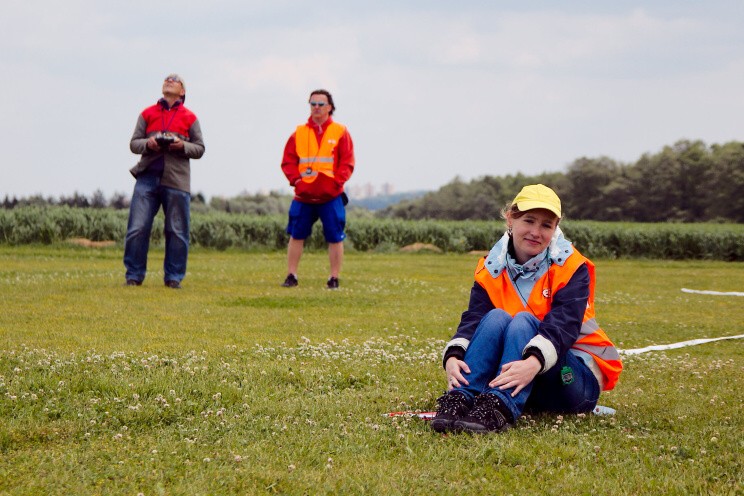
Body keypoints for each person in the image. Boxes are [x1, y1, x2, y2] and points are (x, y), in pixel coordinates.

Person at [431, 184, 622, 434]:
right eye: (529, 220)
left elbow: (563, 326)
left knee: (522, 321)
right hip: (522, 377)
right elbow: (474, 318)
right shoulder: (491, 267)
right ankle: (461, 396)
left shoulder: (573, 267)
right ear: (510, 219)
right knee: (496, 317)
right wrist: (453, 356)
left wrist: (533, 362)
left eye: (546, 225)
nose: (536, 232)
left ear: (555, 229)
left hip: (573, 380)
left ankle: (499, 405)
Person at [124, 74, 205, 289]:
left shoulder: (190, 118)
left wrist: (182, 146)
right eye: (166, 79)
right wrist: (148, 144)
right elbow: (134, 144)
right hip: (147, 176)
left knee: (177, 231)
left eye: (174, 80)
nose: (169, 80)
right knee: (137, 227)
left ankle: (174, 278)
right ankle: (133, 275)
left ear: (182, 91)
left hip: (177, 180)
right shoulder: (147, 113)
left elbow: (200, 148)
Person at [280, 89, 355, 289]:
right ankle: (291, 275)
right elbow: (288, 161)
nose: (316, 108)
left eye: (321, 104)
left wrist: (336, 183)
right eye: (312, 104)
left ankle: (333, 278)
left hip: (331, 196)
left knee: (335, 236)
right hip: (304, 195)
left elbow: (347, 162)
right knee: (296, 235)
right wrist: (296, 181)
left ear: (330, 107)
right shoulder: (299, 133)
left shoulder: (340, 132)